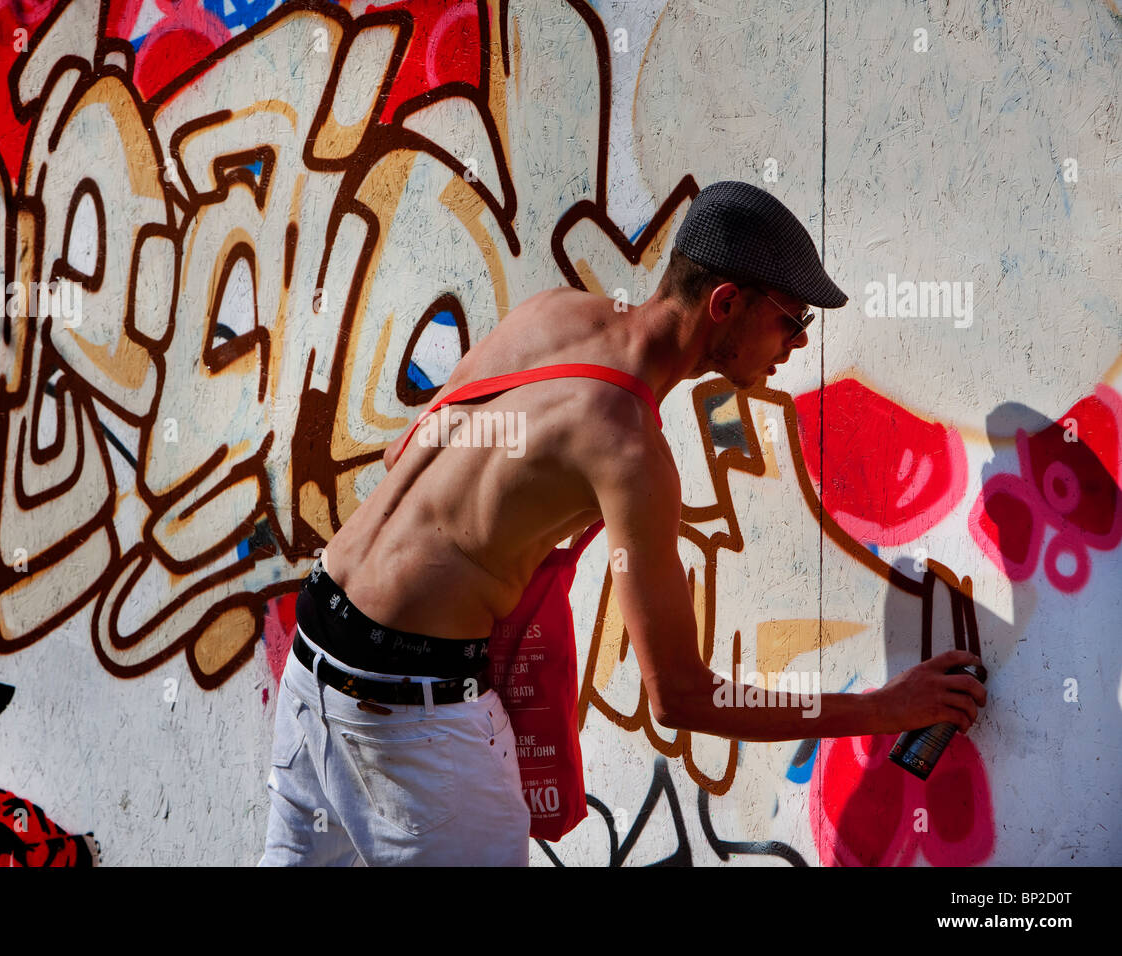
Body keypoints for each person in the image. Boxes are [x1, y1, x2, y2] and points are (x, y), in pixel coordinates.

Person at [257, 180, 988, 867]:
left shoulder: (553, 313)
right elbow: (680, 694)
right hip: (408, 721)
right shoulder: (630, 449)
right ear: (727, 302)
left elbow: (402, 449)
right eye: (793, 321)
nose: (796, 345)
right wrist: (886, 707)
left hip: (316, 650)